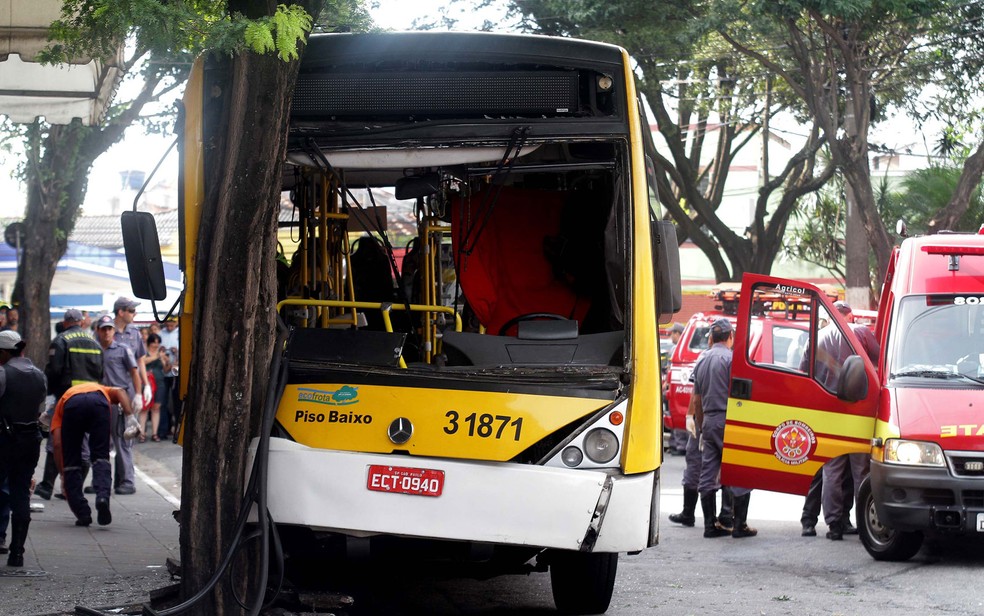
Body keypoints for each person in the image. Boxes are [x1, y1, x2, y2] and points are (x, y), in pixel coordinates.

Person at [818, 300, 879, 540]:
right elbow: (880, 359)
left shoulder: (819, 337)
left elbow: (804, 370)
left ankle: (834, 524)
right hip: (858, 412)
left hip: (827, 412)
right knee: (860, 471)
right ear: (850, 315)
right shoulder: (860, 332)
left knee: (831, 471)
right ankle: (866, 524)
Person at [694, 318, 756, 539]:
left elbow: (697, 399)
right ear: (731, 336)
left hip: (709, 421)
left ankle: (710, 526)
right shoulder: (731, 360)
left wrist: (701, 428)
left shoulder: (701, 360)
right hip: (729, 420)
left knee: (708, 474)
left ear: (712, 337)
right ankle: (739, 526)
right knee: (741, 471)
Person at [35, 308, 103, 501]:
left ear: (65, 323)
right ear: (81, 322)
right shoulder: (95, 343)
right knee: (83, 444)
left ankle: (47, 486)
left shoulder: (61, 340)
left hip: (67, 399)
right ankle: (74, 488)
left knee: (55, 441)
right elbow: (101, 374)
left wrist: (49, 397)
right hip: (91, 399)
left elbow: (54, 371)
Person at [51, 382, 136, 527]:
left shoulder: (60, 405)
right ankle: (102, 497)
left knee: (71, 461)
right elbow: (121, 391)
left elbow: (58, 445)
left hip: (72, 405)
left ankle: (83, 514)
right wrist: (130, 417)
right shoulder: (103, 389)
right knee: (100, 456)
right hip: (98, 403)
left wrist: (63, 475)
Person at [0, 330, 49, 566]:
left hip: (5, 439)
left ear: (5, 352)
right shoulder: (39, 375)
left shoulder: (3, 373)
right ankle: (17, 552)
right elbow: (40, 406)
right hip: (31, 440)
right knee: (20, 493)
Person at [94, 314, 141, 495]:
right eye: (103, 329)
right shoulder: (95, 349)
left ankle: (127, 481)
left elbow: (134, 372)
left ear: (113, 331)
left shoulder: (123, 349)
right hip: (101, 399)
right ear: (98, 331)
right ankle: (104, 481)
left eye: (109, 329)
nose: (107, 332)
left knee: (122, 440)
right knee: (101, 442)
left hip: (120, 400)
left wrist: (137, 394)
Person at [664, 322, 688, 456]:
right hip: (680, 387)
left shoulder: (676, 350)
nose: (671, 335)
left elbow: (670, 370)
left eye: (672, 333)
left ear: (678, 334)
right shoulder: (680, 350)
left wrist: (666, 383)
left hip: (673, 388)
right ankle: (677, 444)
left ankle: (677, 445)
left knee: (673, 413)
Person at [140, 333, 170, 442]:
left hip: (159, 382)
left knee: (156, 408)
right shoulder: (144, 352)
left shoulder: (160, 353)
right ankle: (142, 433)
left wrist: (166, 360)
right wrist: (157, 356)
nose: (156, 345)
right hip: (146, 382)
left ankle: (154, 433)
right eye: (154, 342)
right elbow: (143, 362)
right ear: (149, 342)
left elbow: (166, 370)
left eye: (158, 342)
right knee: (144, 408)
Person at [157, 317, 180, 441]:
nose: (170, 327)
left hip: (176, 372)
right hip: (164, 371)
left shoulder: (180, 333)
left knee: (177, 401)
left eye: (172, 325)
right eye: (168, 325)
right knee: (163, 402)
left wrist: (176, 351)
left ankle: (177, 429)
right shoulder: (161, 334)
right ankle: (163, 430)